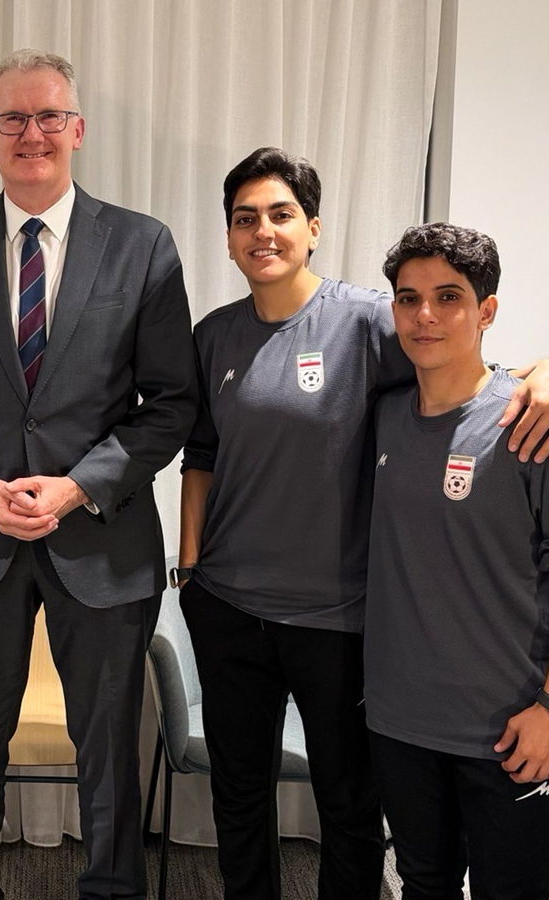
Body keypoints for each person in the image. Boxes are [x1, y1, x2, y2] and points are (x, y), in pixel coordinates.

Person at [177, 148, 549, 900]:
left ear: (313, 228)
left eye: (281, 214)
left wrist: (544, 371)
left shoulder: (371, 321)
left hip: (338, 620)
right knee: (238, 797)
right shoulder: (213, 335)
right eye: (245, 219)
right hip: (229, 608)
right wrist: (189, 566)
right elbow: (203, 453)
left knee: (349, 809)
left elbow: (463, 367)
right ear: (228, 237)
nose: (263, 231)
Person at [0, 49, 198, 900]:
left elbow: (171, 402)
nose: (32, 133)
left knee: (109, 748)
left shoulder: (142, 245)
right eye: (13, 119)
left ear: (78, 130)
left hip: (102, 540)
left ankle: (111, 889)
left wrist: (78, 486)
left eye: (48, 117)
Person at [367, 223, 549, 899]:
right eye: (409, 298)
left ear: (486, 310)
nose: (426, 315)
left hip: (508, 727)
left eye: (448, 297)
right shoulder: (382, 415)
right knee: (423, 884)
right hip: (399, 721)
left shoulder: (527, 423)